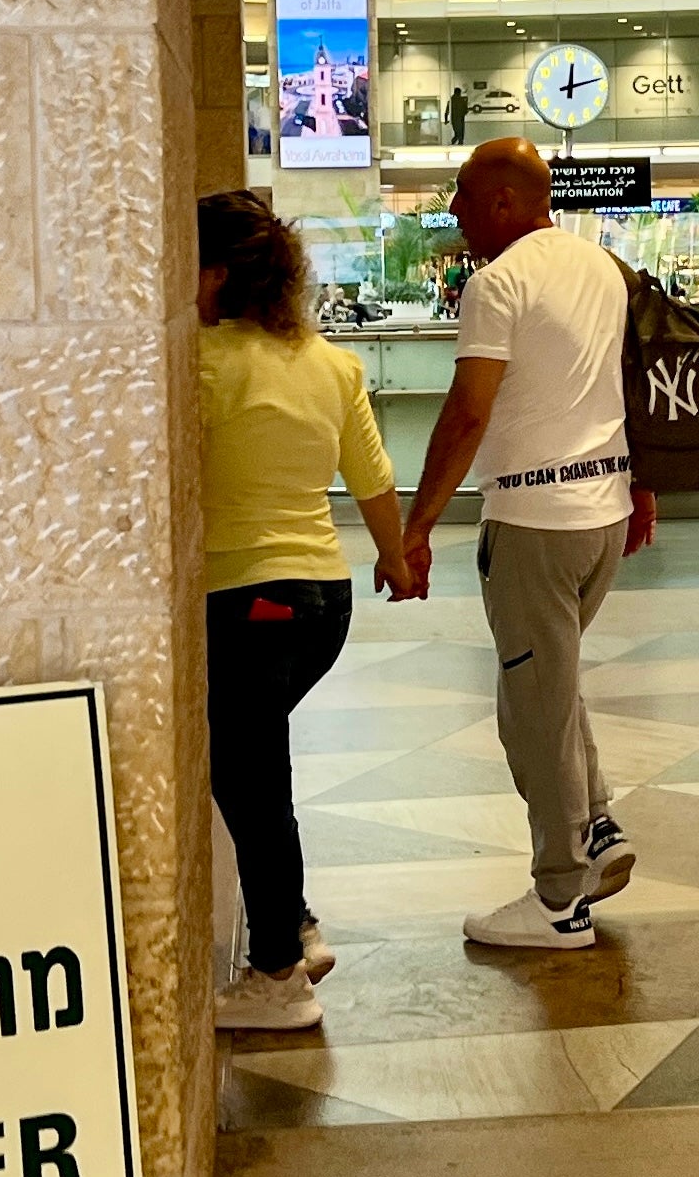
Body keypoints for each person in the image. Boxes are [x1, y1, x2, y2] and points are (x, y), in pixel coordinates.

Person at [400, 139, 654, 951]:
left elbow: (468, 412)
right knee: (553, 682)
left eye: (462, 198)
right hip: (602, 514)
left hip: (536, 521)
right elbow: (630, 383)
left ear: (504, 201)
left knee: (529, 713)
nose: (452, 213)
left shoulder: (497, 282)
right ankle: (599, 826)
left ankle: (558, 902)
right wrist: (642, 485)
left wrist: (416, 525)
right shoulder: (602, 267)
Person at [197, 192, 418, 1032]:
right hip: (323, 602)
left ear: (215, 274)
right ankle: (292, 922)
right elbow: (372, 478)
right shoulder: (328, 363)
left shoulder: (203, 361)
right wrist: (395, 560)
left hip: (245, 595)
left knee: (252, 784)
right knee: (251, 771)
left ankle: (279, 975)